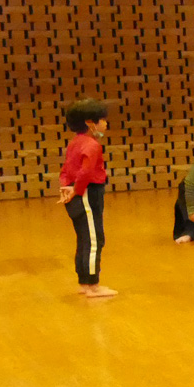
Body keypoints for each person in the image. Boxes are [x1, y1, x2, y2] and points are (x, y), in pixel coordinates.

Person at [57, 98, 117, 298]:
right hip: (88, 194)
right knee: (94, 239)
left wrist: (66, 187)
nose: (105, 124)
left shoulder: (74, 143)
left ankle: (84, 282)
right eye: (103, 120)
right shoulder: (92, 145)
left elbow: (66, 169)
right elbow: (86, 172)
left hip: (79, 192)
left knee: (84, 238)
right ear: (90, 123)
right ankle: (93, 285)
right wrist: (77, 189)